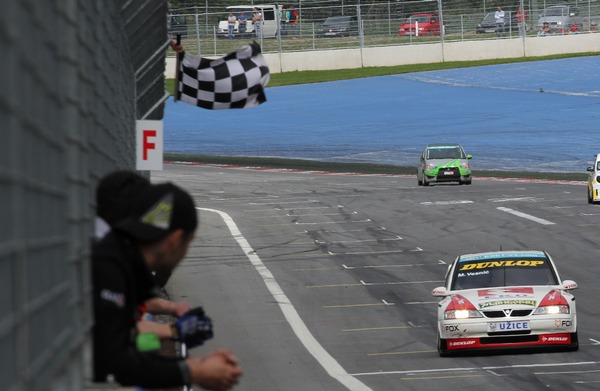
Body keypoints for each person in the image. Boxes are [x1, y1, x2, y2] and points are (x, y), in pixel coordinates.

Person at [92, 182, 242, 389]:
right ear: (175, 240)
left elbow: (121, 334)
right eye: (188, 243)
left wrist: (190, 356)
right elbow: (115, 362)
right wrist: (195, 371)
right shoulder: (108, 268)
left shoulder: (117, 257)